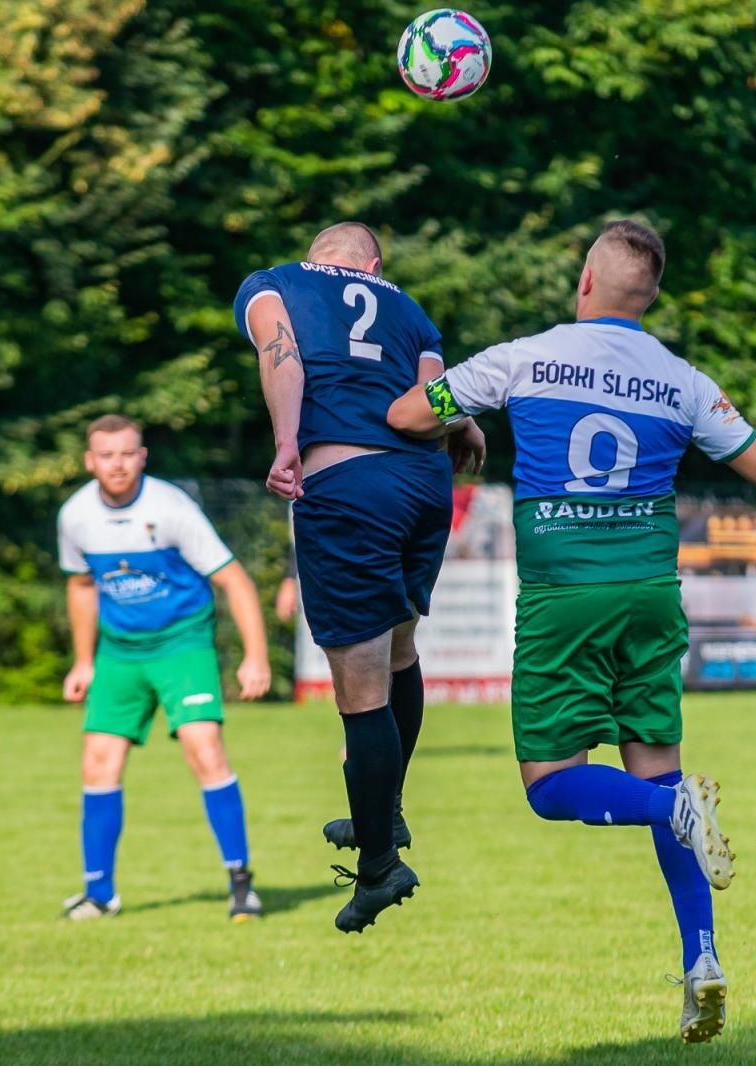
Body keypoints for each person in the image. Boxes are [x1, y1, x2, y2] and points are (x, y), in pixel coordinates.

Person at [387, 220, 756, 1042]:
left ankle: (665, 812)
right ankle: (701, 957)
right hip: (648, 597)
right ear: (652, 300)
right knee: (664, 774)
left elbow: (409, 413)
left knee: (550, 784)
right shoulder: (680, 379)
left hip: (564, 598)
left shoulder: (525, 357)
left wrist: (462, 422)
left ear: (584, 284)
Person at [233, 222, 484, 932]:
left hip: (348, 484)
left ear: (317, 257)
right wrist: (465, 427)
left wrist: (287, 442)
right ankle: (386, 814)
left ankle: (378, 865)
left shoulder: (274, 282)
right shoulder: (407, 306)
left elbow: (285, 358)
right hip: (424, 487)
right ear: (372, 265)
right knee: (401, 651)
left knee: (359, 687)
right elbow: (435, 395)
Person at [57, 414, 272, 922]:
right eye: (106, 455)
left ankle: (241, 883)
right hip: (119, 652)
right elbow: (82, 586)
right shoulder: (75, 516)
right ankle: (99, 893)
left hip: (182, 645)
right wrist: (83, 661)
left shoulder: (171, 508)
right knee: (98, 764)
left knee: (205, 747)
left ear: (143, 456)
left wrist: (255, 657)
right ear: (90, 461)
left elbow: (235, 581)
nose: (117, 464)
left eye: (127, 453)